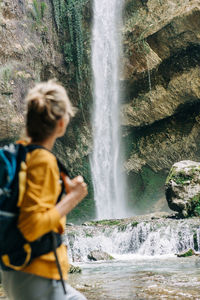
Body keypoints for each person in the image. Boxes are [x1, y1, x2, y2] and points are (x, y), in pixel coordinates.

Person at [1, 80, 88, 300]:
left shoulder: (22, 153)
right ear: (60, 123)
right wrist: (73, 198)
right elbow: (31, 226)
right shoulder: (43, 161)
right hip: (37, 273)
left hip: (16, 271)